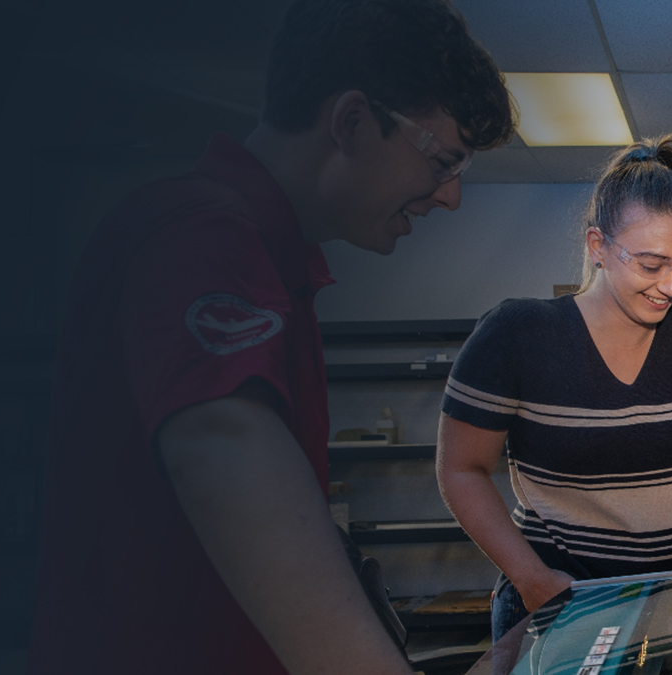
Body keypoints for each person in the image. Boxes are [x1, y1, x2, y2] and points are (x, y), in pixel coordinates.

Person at [26, 1, 516, 674]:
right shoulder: (200, 233)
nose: (450, 197)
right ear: (349, 122)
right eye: (441, 162)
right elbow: (221, 439)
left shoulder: (273, 262)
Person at [436, 136, 672, 644]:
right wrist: (529, 578)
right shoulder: (518, 332)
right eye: (652, 265)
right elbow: (461, 469)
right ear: (598, 247)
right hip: (557, 595)